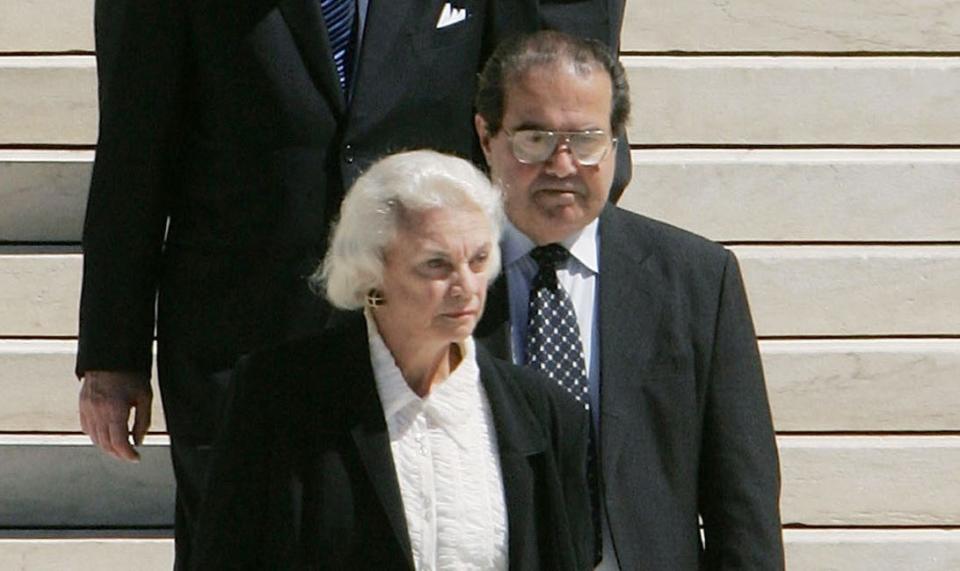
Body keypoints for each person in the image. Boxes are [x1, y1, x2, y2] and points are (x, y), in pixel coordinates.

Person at [75, 1, 625, 566]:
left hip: (421, 326)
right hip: (244, 328)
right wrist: (113, 353)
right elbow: (131, 153)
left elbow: (514, 94)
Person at [189, 150, 593, 570]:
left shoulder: (541, 411)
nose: (466, 287)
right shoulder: (279, 396)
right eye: (437, 265)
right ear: (372, 270)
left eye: (478, 260)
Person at [473, 31, 785, 569]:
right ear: (486, 138)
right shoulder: (441, 281)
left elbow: (744, 506)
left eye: (586, 139)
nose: (562, 164)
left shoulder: (696, 280)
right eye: (534, 138)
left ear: (616, 143)